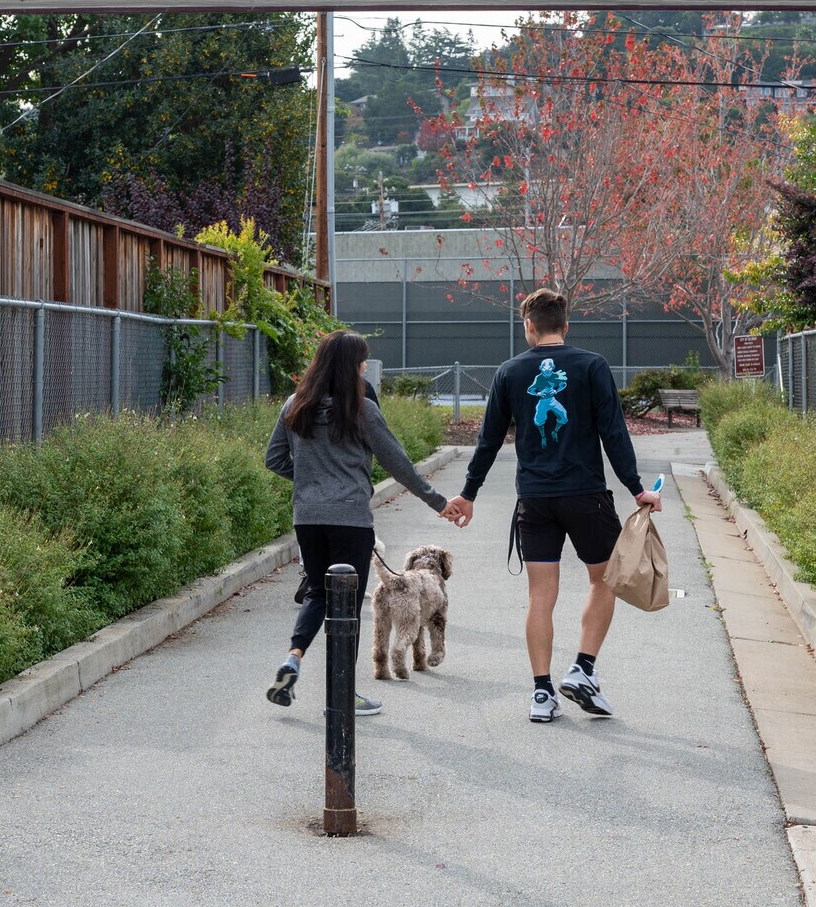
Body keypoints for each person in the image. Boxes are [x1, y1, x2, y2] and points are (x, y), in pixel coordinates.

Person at [446, 287, 659, 722]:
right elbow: (613, 434)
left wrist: (468, 494)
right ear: (565, 325)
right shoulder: (592, 366)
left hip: (535, 501)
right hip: (586, 497)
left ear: (528, 326)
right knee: (604, 582)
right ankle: (583, 668)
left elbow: (488, 441)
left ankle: (542, 694)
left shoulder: (509, 372)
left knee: (540, 596)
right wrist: (637, 489)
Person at [264, 330, 458, 715]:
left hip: (308, 519)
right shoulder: (361, 409)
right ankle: (343, 695)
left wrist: (310, 481)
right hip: (350, 519)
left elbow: (274, 459)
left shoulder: (294, 405)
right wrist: (439, 502)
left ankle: (293, 658)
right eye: (362, 361)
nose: (366, 366)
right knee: (348, 608)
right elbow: (398, 464)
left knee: (319, 593)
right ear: (352, 366)